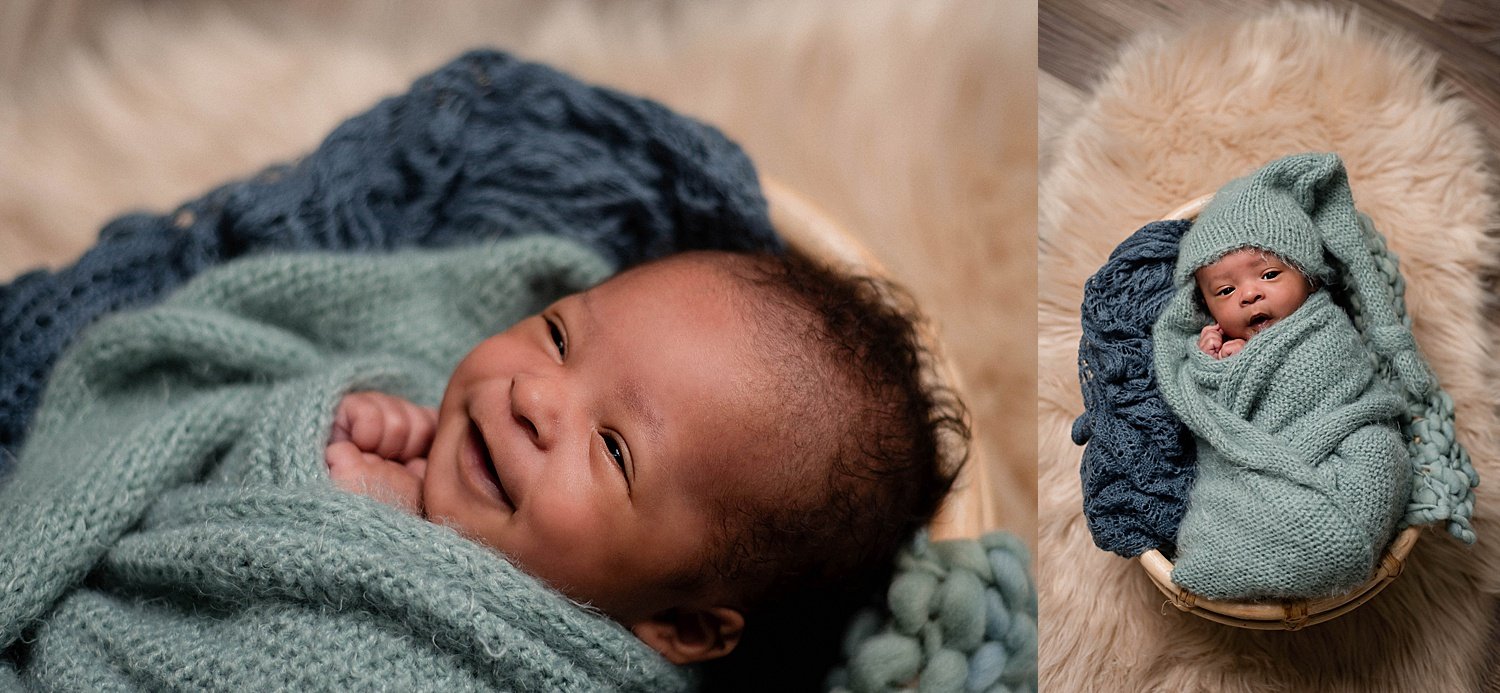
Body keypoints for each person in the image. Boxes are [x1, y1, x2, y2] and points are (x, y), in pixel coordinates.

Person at [322, 249, 967, 667]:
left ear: (678, 625)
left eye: (612, 448)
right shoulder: (419, 391)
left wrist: (388, 529)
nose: (533, 396)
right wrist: (336, 421)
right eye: (557, 337)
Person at [1192, 247, 1313, 359]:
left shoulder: (1324, 334)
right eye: (1227, 290)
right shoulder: (1219, 347)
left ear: (1310, 278)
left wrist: (1252, 359)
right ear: (1207, 307)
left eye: (1269, 275)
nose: (1249, 295)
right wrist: (1212, 361)